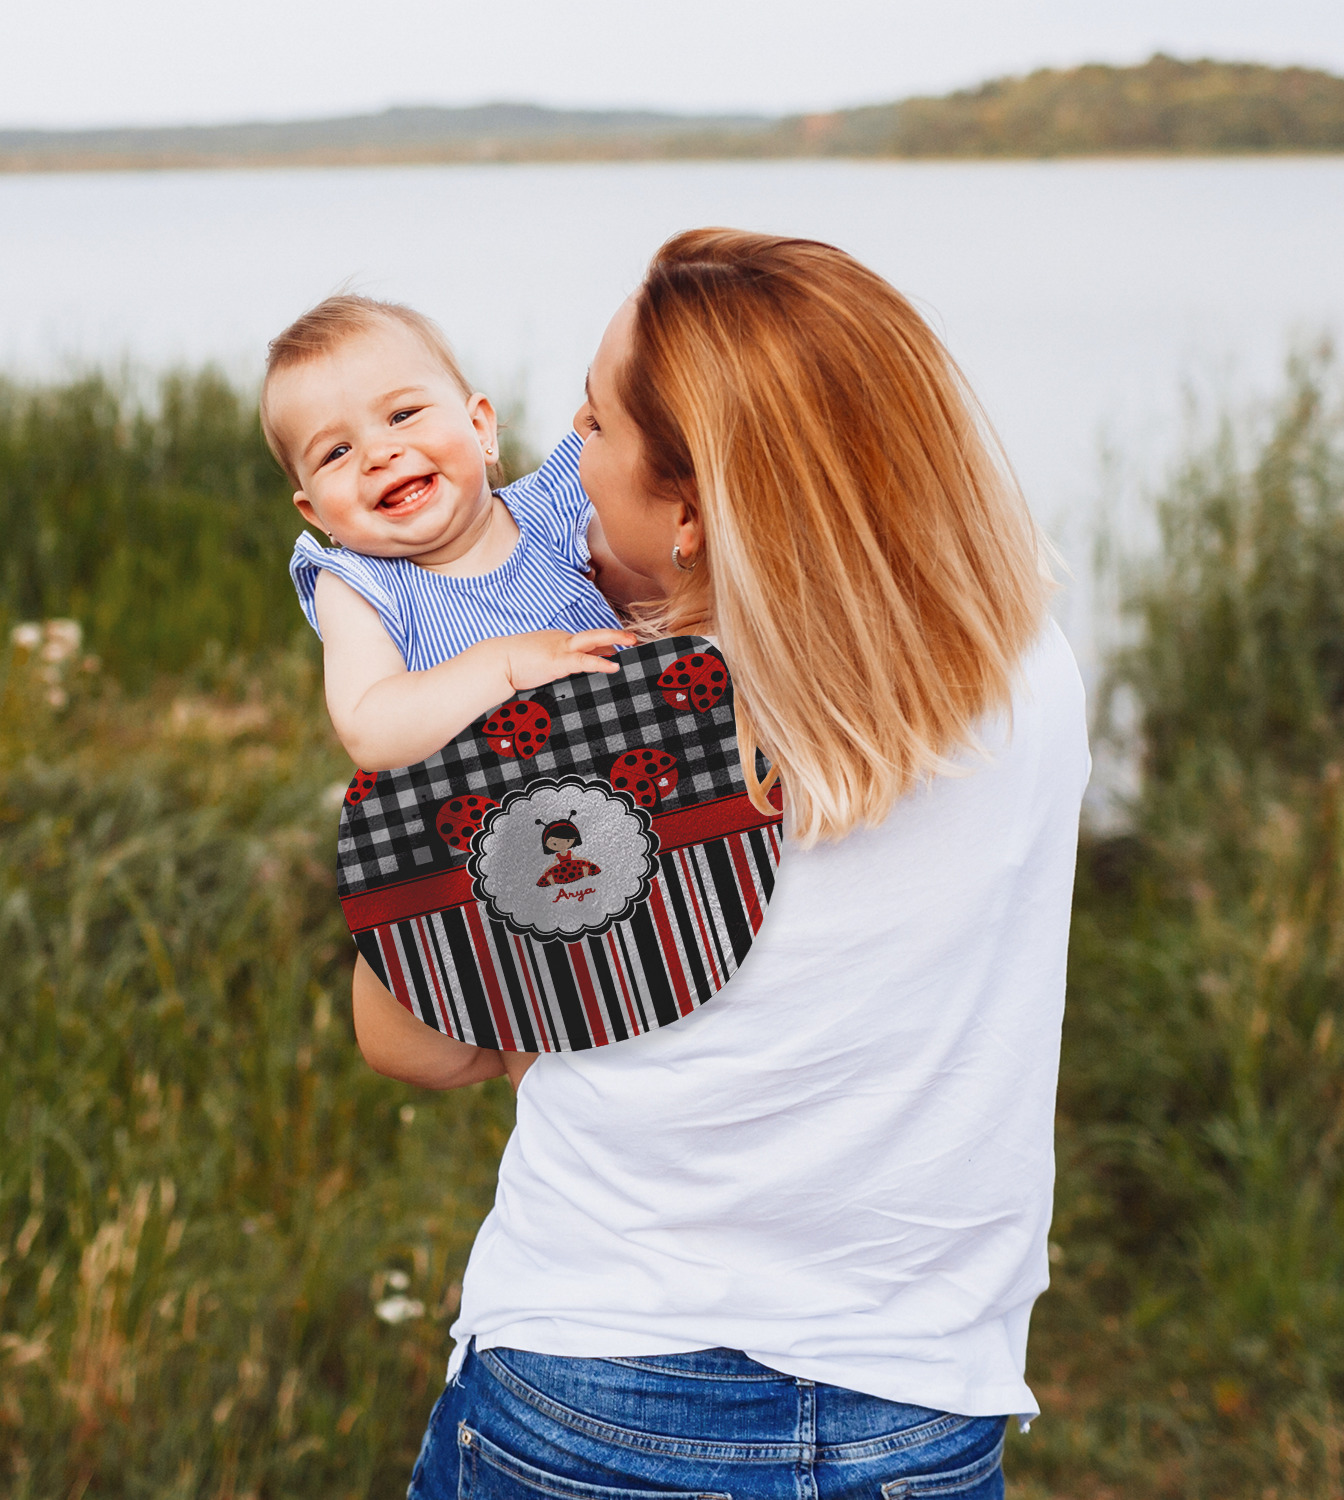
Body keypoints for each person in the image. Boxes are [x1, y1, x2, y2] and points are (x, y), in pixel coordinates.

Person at [358, 231, 1090, 1500]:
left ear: (693, 511)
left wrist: (447, 760)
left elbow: (411, 1036)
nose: (568, 443)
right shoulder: (1026, 663)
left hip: (597, 1389)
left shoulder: (609, 734)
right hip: (919, 1399)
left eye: (595, 421)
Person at [261, 294, 642, 1089]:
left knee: (618, 1031)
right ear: (313, 510)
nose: (379, 454)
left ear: (481, 426)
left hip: (627, 812)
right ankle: (524, 1074)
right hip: (485, 853)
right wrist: (502, 667)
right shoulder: (358, 584)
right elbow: (369, 724)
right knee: (456, 1048)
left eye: (403, 414)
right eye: (335, 452)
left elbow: (640, 425)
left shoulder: (554, 507)